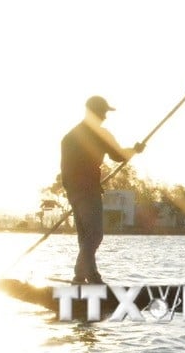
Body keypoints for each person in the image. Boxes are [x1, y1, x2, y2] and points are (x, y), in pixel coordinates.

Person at [60, 95, 144, 284]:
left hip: (74, 192)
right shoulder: (100, 134)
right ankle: (80, 275)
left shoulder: (69, 136)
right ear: (95, 112)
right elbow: (119, 155)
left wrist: (71, 193)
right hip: (87, 191)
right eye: (104, 112)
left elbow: (64, 169)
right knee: (95, 235)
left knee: (86, 237)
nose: (105, 116)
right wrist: (135, 150)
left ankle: (92, 276)